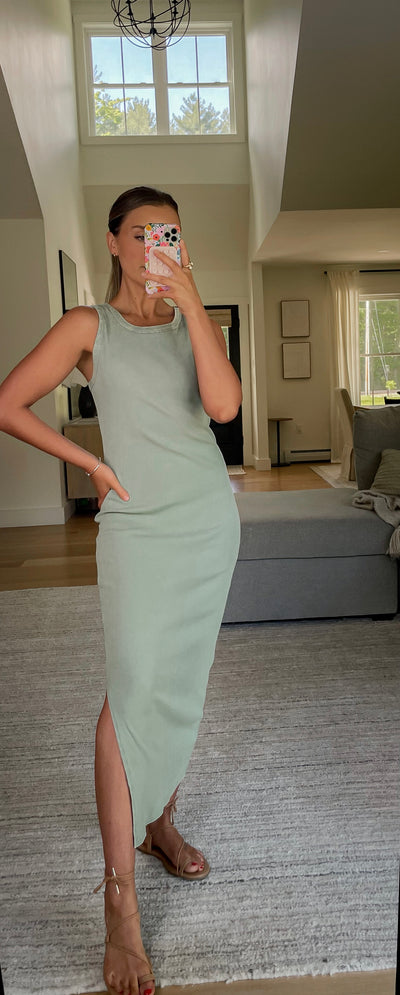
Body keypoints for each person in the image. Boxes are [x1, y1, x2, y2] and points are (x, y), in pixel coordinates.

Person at [0, 185, 242, 995]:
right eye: (140, 232)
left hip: (206, 523)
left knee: (181, 684)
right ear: (113, 242)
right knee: (132, 690)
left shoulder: (190, 321)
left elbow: (223, 405)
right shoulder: (87, 326)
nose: (152, 245)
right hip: (138, 530)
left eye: (167, 232)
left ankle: (158, 823)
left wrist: (193, 300)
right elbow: (8, 403)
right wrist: (93, 466)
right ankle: (119, 901)